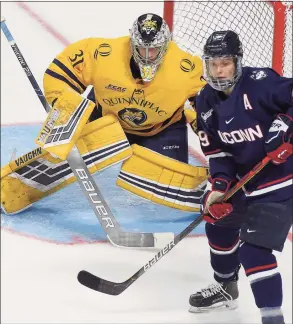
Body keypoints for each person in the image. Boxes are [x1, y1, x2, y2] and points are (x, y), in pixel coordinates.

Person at [1, 13, 208, 215]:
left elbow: (208, 110)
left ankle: (219, 192)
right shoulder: (104, 53)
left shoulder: (186, 69)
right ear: (131, 42)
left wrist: (218, 145)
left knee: (169, 184)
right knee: (64, 151)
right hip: (106, 120)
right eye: (141, 48)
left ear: (166, 46)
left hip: (161, 130)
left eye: (153, 49)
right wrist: (65, 110)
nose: (147, 55)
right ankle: (11, 187)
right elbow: (59, 73)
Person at [189, 30, 293, 324]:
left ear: (237, 62)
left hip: (283, 179)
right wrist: (219, 188)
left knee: (254, 252)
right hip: (246, 180)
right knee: (218, 221)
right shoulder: (205, 102)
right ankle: (225, 287)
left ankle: (273, 319)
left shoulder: (262, 83)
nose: (219, 70)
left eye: (225, 63)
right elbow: (219, 153)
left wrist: (286, 124)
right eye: (213, 64)